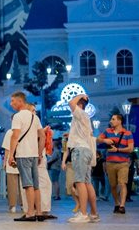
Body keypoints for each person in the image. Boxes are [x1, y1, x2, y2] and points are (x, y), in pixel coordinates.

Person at [8, 91, 44, 221]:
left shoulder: (18, 117)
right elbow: (43, 136)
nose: (11, 103)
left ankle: (30, 213)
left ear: (20, 102)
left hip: (23, 154)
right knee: (36, 185)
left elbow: (15, 136)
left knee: (28, 184)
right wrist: (39, 153)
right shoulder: (35, 117)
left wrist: (11, 154)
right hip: (34, 154)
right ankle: (39, 212)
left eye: (13, 101)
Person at [64, 94, 99, 223]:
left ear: (79, 106)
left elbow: (70, 103)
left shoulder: (80, 114)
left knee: (79, 182)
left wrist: (81, 96)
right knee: (86, 182)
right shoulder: (84, 118)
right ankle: (93, 213)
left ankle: (83, 213)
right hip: (85, 149)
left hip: (80, 150)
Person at [20, 104, 56, 220]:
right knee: (28, 184)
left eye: (35, 111)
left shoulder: (35, 121)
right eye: (33, 110)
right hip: (29, 155)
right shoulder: (23, 122)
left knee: (42, 184)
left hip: (38, 155)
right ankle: (30, 211)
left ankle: (42, 211)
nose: (35, 113)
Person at [99, 113, 134, 214]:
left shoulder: (127, 134)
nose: (111, 121)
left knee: (122, 184)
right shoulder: (107, 131)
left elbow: (130, 148)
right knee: (113, 185)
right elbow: (98, 139)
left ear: (119, 121)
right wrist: (105, 140)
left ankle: (122, 205)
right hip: (110, 163)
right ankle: (117, 204)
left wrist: (117, 149)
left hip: (123, 163)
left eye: (113, 119)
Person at [1, 125, 22, 213]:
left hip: (12, 161)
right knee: (23, 185)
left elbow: (7, 149)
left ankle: (12, 206)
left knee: (12, 185)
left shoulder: (9, 132)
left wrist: (5, 161)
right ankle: (24, 204)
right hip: (23, 160)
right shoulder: (24, 131)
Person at [47, 134, 63, 201]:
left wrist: (46, 162)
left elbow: (52, 159)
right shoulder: (58, 151)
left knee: (55, 182)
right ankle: (56, 195)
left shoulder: (56, 152)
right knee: (55, 181)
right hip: (56, 168)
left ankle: (57, 195)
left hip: (55, 168)